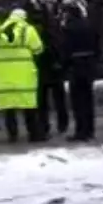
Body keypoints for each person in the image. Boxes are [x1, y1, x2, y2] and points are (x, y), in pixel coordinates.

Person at [0, 7, 44, 143]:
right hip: (24, 76)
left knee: (9, 108)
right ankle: (34, 134)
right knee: (28, 106)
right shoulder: (28, 29)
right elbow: (38, 49)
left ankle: (12, 135)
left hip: (4, 77)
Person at [62, 4, 100, 141]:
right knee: (88, 99)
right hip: (89, 65)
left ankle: (81, 131)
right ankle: (90, 129)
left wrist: (64, 66)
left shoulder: (69, 28)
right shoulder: (89, 26)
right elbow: (97, 46)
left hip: (75, 67)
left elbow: (66, 49)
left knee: (78, 101)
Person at [34, 11, 69, 140]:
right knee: (58, 100)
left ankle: (45, 125)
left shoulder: (38, 35)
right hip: (54, 71)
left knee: (43, 103)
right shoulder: (55, 33)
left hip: (44, 72)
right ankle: (61, 124)